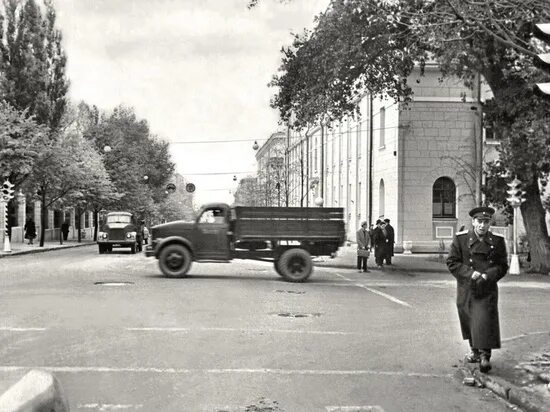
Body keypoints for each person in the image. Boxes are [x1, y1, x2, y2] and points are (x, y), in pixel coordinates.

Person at [446, 206, 509, 373]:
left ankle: (484, 356)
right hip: (467, 287)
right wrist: (469, 273)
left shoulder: (497, 241)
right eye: (479, 221)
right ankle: (474, 351)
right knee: (469, 319)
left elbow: (502, 266)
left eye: (486, 222)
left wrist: (488, 274)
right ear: (473, 222)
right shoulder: (461, 240)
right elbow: (452, 262)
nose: (482, 225)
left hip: (486, 288)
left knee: (484, 320)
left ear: (490, 224)